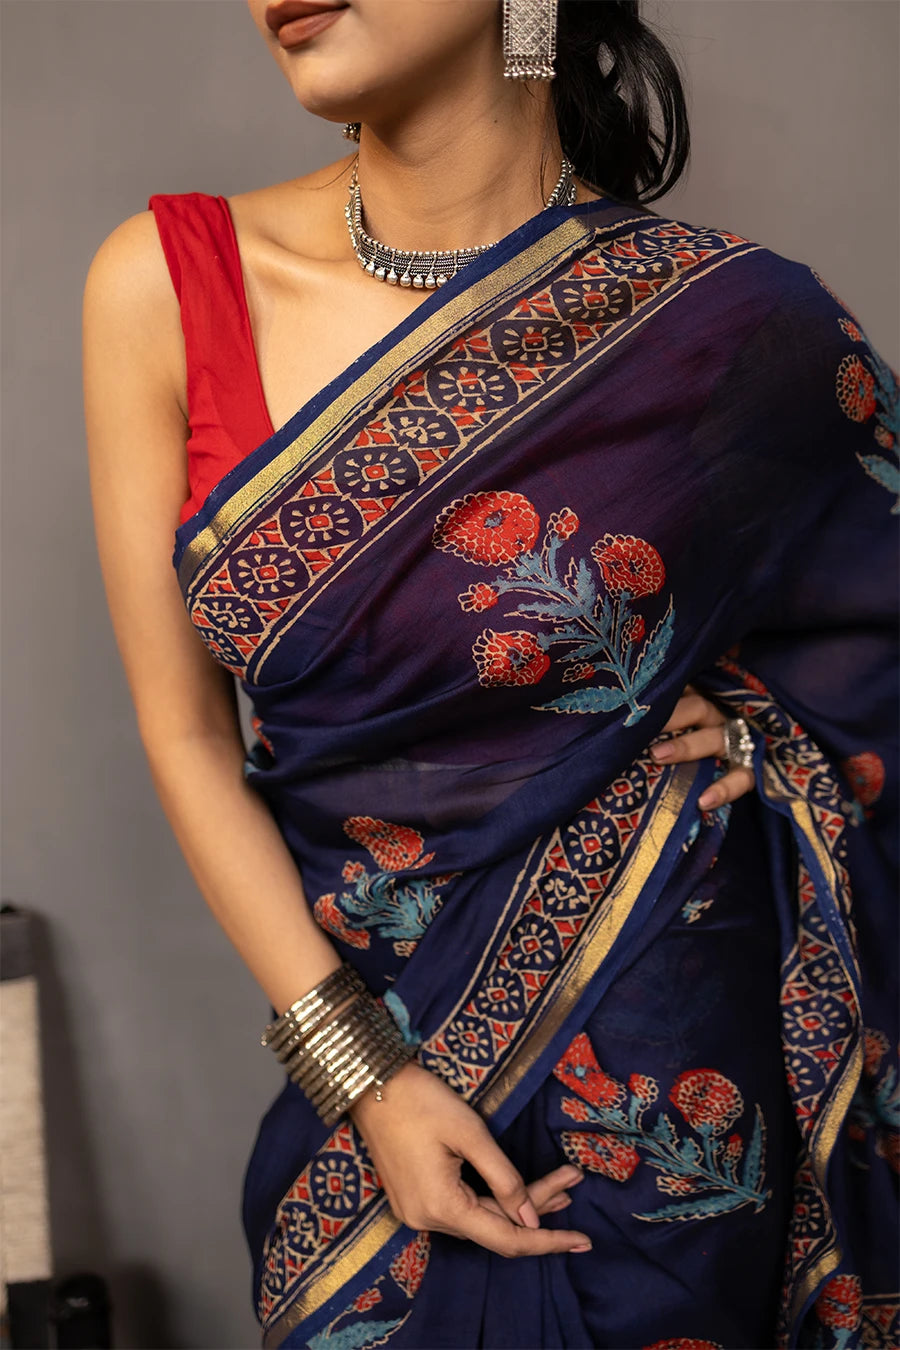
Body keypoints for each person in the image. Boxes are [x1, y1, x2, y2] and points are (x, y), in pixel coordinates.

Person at [81, 1, 898, 1346]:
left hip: (673, 1096)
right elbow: (181, 733)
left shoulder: (725, 325)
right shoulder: (173, 285)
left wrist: (768, 741)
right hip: (381, 1100)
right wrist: (364, 1077)